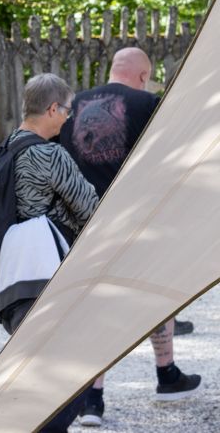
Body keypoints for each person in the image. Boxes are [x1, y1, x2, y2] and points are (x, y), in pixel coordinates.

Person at [59, 48, 201, 426]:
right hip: (138, 219)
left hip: (84, 220)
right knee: (153, 293)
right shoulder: (148, 103)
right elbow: (172, 158)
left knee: (92, 305)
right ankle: (166, 376)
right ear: (142, 76)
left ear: (112, 70)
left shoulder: (73, 106)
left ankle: (92, 400)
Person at [0, 73, 99, 432]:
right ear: (53, 109)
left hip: (14, 279)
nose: (68, 118)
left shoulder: (6, 149)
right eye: (67, 110)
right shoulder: (49, 154)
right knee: (75, 374)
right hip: (50, 277)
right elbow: (90, 211)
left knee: (39, 374)